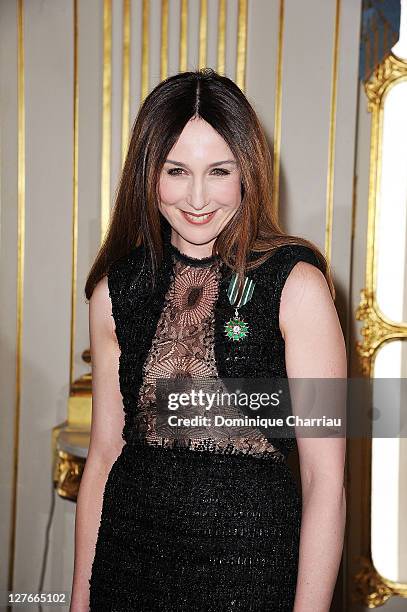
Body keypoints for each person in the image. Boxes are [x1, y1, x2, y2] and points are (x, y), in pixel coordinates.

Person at [70, 68, 347, 612]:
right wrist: (79, 601)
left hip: (251, 570)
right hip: (128, 564)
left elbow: (325, 480)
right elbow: (103, 457)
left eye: (218, 171)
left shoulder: (297, 286)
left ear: (247, 173)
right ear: (148, 175)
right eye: (176, 170)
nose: (197, 197)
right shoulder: (115, 292)